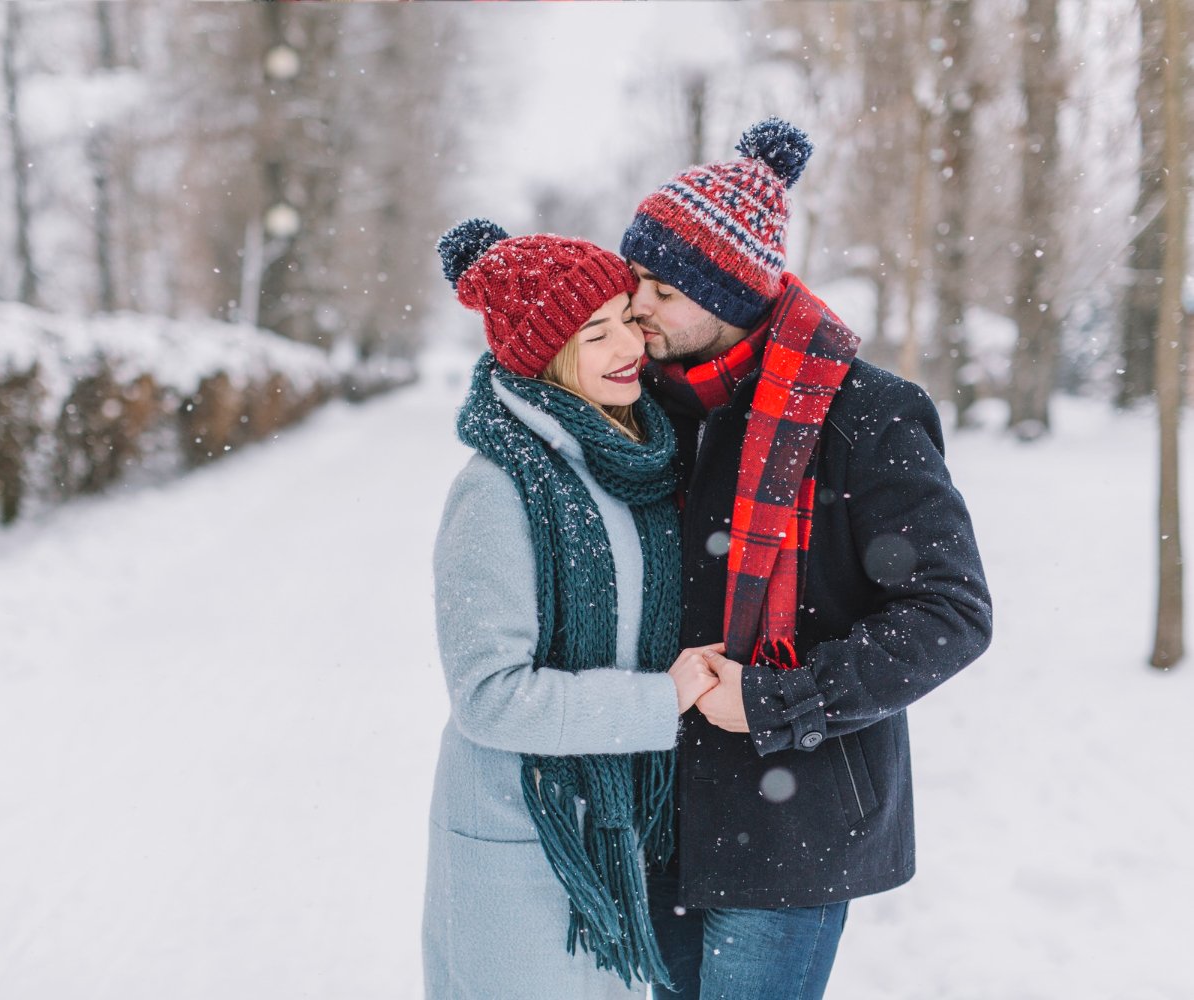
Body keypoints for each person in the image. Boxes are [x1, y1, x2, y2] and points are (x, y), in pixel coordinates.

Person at [619, 117, 993, 999]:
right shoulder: (645, 412)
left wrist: (783, 700)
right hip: (651, 812)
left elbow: (951, 610)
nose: (637, 304)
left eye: (664, 288)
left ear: (732, 291)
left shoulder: (865, 415)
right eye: (634, 277)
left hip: (794, 826)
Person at [422, 219, 721, 999]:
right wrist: (662, 699)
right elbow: (489, 696)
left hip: (615, 841)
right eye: (596, 333)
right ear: (548, 358)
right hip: (523, 836)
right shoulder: (497, 489)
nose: (629, 344)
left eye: (626, 316)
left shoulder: (636, 466)